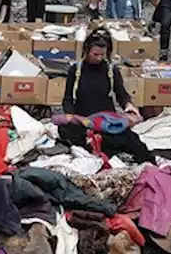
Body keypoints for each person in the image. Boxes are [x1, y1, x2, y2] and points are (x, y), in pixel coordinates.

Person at [59, 28, 149, 161]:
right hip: (84, 121)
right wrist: (72, 117)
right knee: (65, 129)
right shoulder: (76, 70)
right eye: (95, 54)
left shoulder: (111, 71)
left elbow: (121, 95)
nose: (99, 58)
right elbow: (67, 99)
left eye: (102, 55)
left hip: (107, 121)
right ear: (87, 50)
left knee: (133, 142)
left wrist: (129, 105)